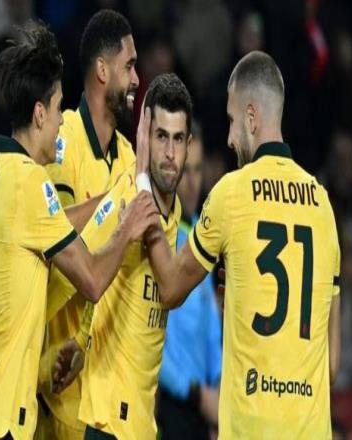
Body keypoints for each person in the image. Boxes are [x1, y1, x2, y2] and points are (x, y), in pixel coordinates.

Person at [0, 21, 158, 440]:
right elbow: (92, 280)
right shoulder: (32, 183)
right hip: (3, 420)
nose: (63, 122)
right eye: (59, 108)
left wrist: (110, 198)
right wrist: (126, 226)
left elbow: (52, 225)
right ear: (39, 113)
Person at [143, 51, 341, 438]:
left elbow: (169, 287)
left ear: (251, 117)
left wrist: (142, 197)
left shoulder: (231, 195)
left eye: (232, 121)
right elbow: (331, 364)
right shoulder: (323, 206)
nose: (230, 139)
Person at [54, 73, 192, 440]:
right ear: (144, 136)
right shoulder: (127, 197)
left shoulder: (175, 210)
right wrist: (75, 337)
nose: (170, 154)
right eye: (160, 136)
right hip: (109, 423)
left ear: (189, 144)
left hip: (141, 424)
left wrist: (82, 339)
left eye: (178, 139)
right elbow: (73, 253)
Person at [35, 10, 139, 440]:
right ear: (102, 70)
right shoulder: (62, 143)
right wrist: (114, 206)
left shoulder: (130, 158)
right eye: (129, 66)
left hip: (110, 402)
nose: (137, 79)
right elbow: (54, 248)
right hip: (60, 397)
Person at [157, 121, 222, 439]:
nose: (193, 182)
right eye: (186, 171)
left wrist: (218, 390)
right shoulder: (159, 239)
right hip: (170, 407)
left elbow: (211, 331)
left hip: (204, 409)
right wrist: (196, 393)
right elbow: (150, 340)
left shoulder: (203, 234)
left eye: (198, 170)